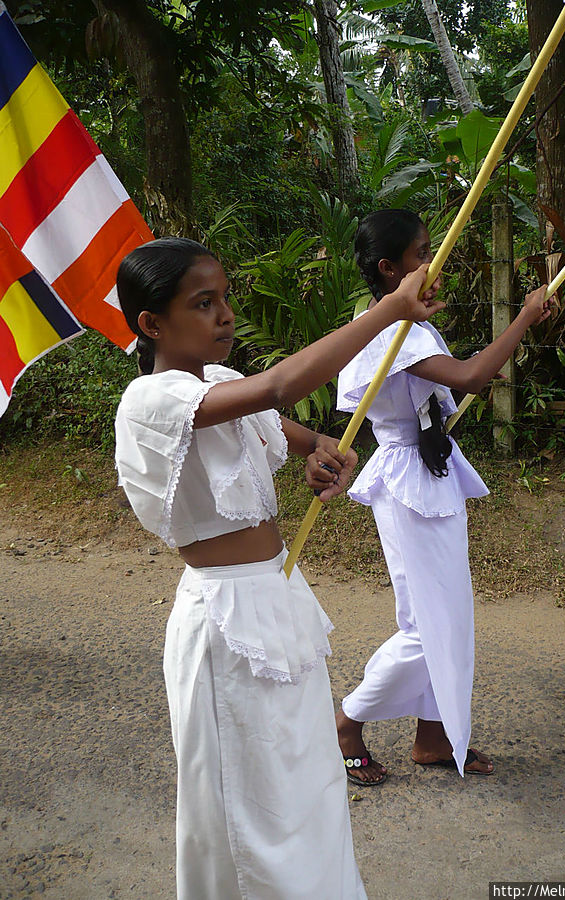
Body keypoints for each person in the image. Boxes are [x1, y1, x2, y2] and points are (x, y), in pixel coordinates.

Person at [113, 236, 445, 900]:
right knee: (248, 811)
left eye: (225, 298)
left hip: (275, 602)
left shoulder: (221, 385)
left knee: (304, 789)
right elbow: (284, 383)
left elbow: (294, 431)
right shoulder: (151, 402)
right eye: (203, 304)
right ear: (151, 324)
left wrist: (327, 452)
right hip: (224, 623)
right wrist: (390, 311)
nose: (225, 315)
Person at [335, 210, 551, 784]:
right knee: (427, 625)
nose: (432, 263)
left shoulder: (413, 325)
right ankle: (347, 720)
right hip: (408, 478)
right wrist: (525, 315)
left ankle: (433, 737)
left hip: (428, 470)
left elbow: (451, 383)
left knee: (446, 616)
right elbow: (472, 375)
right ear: (388, 269)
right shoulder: (391, 330)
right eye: (421, 254)